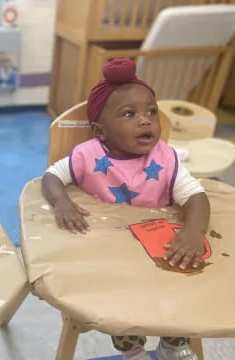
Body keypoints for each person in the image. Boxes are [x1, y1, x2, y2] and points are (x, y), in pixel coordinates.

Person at [42, 58, 209, 360]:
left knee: (181, 282)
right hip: (109, 255)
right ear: (100, 131)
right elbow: (52, 176)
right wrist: (62, 201)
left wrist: (194, 232)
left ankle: (173, 341)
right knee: (116, 300)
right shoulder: (87, 156)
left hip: (158, 250)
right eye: (129, 114)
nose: (145, 121)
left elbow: (196, 196)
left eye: (151, 112)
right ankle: (131, 349)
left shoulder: (165, 158)